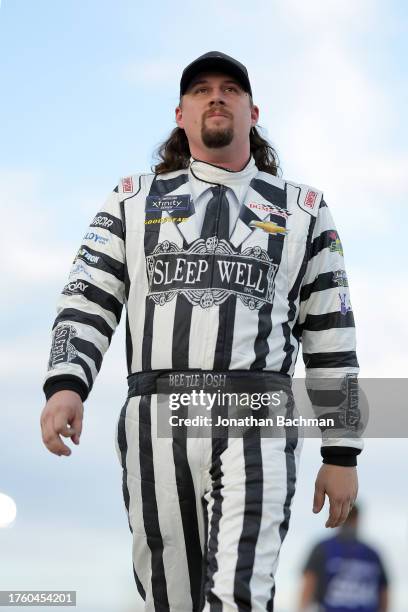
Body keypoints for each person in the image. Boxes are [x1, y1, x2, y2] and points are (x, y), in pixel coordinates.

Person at [40, 51, 363, 611]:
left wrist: (342, 452)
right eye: (202, 90)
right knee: (171, 598)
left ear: (253, 111)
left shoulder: (305, 210)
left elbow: (332, 332)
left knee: (238, 592)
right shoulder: (129, 199)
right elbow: (87, 296)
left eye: (231, 89)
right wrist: (66, 383)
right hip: (155, 415)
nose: (217, 96)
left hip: (254, 411)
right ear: (180, 113)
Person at [298, 505, 389, 612]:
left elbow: (308, 586)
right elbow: (384, 592)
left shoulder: (372, 554)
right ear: (358, 519)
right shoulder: (372, 553)